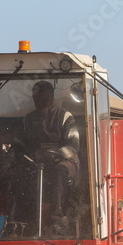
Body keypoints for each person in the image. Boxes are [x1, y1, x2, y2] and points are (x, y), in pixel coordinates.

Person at [19, 80, 80, 221]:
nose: (40, 101)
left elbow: (74, 145)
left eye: (43, 97)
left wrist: (56, 155)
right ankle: (21, 219)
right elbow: (20, 144)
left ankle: (56, 217)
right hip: (35, 162)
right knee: (18, 175)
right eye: (37, 97)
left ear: (51, 98)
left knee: (59, 172)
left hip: (65, 161)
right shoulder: (28, 120)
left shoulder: (65, 116)